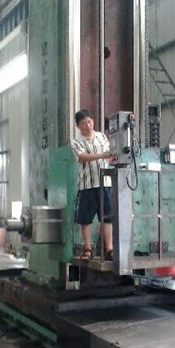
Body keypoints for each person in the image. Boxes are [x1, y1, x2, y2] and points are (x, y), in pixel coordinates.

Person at [71, 109, 113, 260]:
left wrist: (112, 157)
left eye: (89, 122)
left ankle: (109, 249)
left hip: (105, 183)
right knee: (85, 219)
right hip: (86, 185)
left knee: (107, 217)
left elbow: (110, 154)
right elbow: (82, 157)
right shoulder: (76, 142)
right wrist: (102, 155)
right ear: (78, 126)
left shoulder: (102, 137)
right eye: (83, 123)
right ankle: (87, 248)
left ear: (93, 121)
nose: (87, 126)